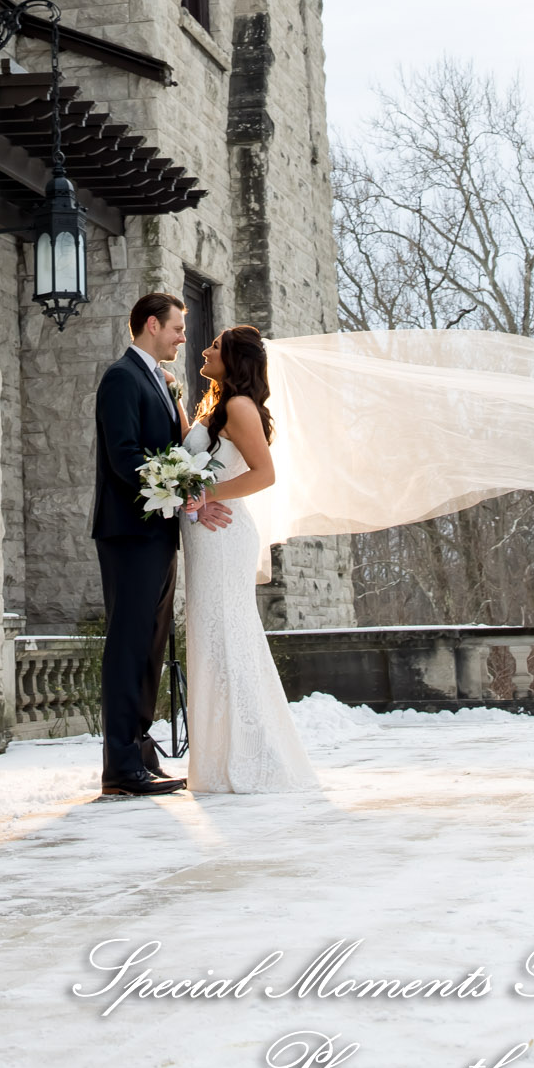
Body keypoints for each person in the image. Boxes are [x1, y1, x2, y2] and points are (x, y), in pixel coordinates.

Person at [91, 291, 230, 796]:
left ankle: (141, 754)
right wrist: (186, 492)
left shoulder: (159, 380)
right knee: (128, 645)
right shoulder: (121, 378)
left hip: (157, 531)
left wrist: (183, 496)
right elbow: (123, 456)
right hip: (128, 531)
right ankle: (120, 767)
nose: (182, 338)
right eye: (176, 328)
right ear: (152, 325)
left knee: (149, 643)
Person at [181, 325, 316, 794]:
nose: (204, 349)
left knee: (227, 642)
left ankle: (253, 760)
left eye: (215, 346)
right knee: (212, 640)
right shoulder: (215, 408)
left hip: (223, 534)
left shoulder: (238, 407)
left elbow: (265, 474)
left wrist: (201, 493)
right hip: (206, 536)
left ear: (234, 359)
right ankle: (221, 760)